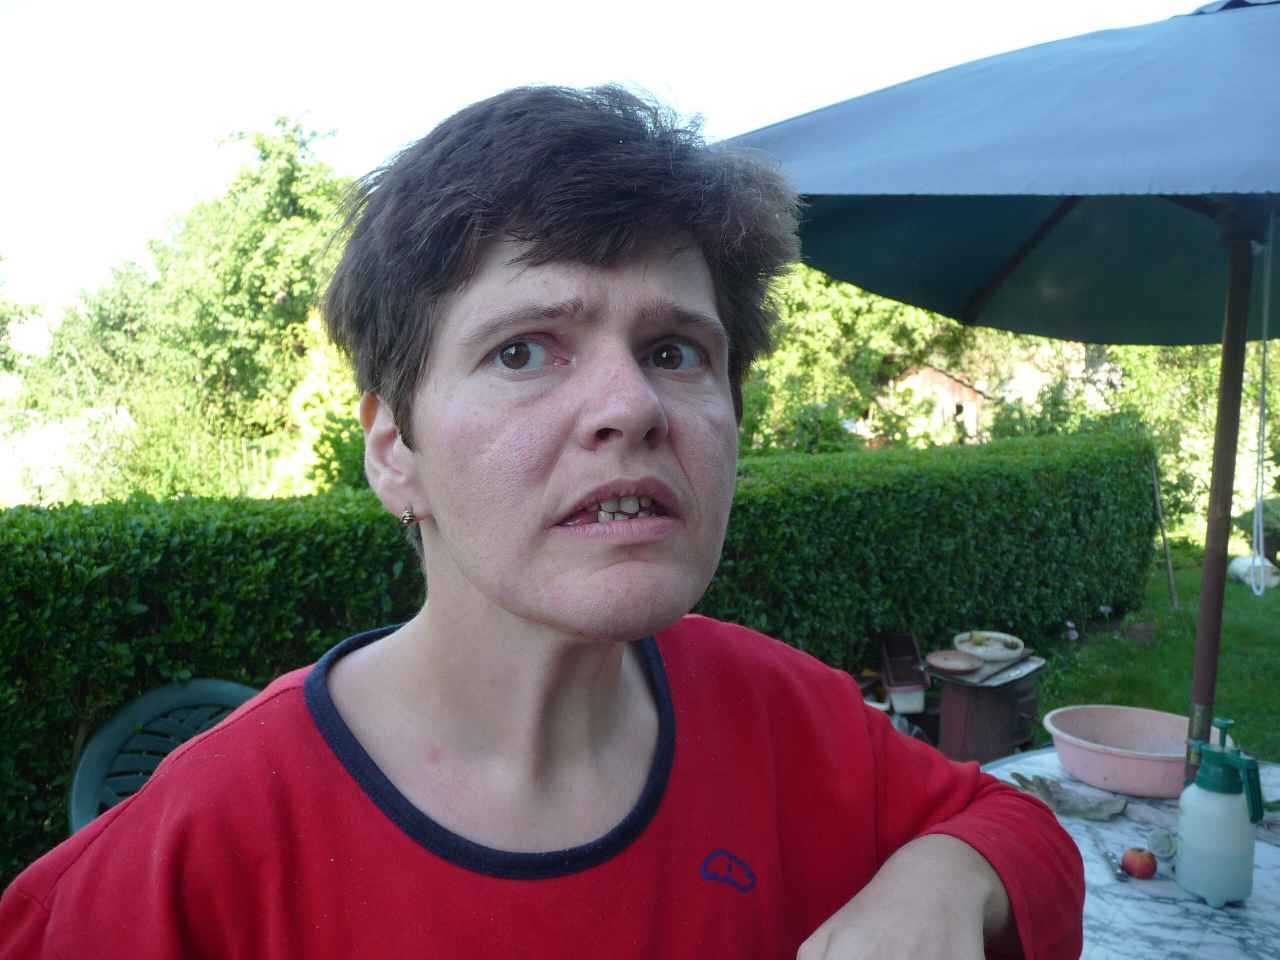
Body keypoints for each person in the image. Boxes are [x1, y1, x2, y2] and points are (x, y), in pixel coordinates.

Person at [0, 86, 1083, 959]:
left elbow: (1018, 828)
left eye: (674, 351)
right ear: (394, 450)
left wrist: (948, 876)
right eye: (522, 350)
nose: (631, 406)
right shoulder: (197, 852)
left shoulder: (783, 713)